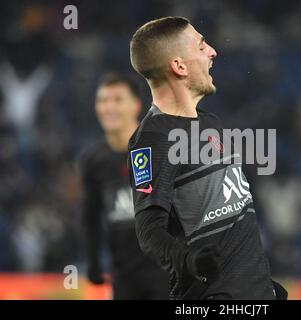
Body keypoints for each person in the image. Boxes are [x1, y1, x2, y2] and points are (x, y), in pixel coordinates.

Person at [128, 16, 287, 300]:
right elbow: (149, 232)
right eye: (201, 46)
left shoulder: (211, 123)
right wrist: (190, 262)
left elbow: (231, 214)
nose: (213, 51)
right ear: (179, 66)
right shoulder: (153, 138)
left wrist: (260, 285)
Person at [77, 73, 169, 299]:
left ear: (136, 105)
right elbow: (91, 215)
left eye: (117, 99)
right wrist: (93, 261)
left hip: (166, 270)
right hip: (123, 272)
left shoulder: (160, 147)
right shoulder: (93, 159)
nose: (108, 107)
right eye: (103, 100)